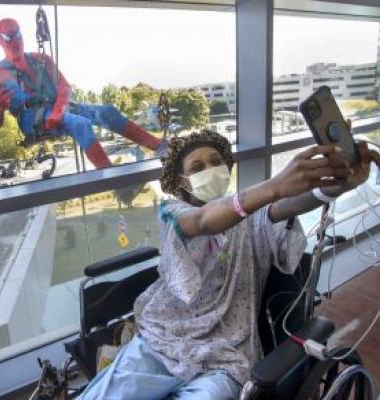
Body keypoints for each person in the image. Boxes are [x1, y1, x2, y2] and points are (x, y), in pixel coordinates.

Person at [79, 129, 380, 399]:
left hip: (227, 349)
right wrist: (275, 185)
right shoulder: (173, 211)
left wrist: (333, 187)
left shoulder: (250, 214)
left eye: (215, 162)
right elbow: (204, 220)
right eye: (197, 167)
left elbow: (283, 206)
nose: (209, 170)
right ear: (182, 183)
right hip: (164, 337)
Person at [0, 18, 168, 172]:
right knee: (79, 124)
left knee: (108, 112)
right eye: (9, 38)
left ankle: (160, 147)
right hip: (32, 119)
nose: (15, 43)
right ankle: (113, 181)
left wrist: (59, 110)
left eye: (17, 36)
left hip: (58, 107)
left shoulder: (41, 60)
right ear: (0, 41)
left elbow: (64, 86)